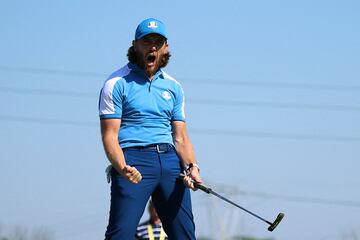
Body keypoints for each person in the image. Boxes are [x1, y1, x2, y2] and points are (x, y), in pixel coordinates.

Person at [98, 18, 202, 240]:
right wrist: (122, 166)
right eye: (147, 41)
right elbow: (109, 136)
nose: (152, 46)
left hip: (170, 162)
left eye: (158, 41)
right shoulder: (116, 83)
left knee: (185, 235)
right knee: (121, 234)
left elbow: (181, 138)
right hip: (133, 161)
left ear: (166, 47)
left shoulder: (174, 87)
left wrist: (192, 167)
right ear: (135, 45)